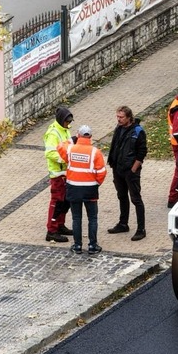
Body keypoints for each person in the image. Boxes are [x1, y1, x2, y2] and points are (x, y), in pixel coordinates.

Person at [59, 125, 108, 254]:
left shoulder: (70, 149)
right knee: (92, 218)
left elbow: (59, 146)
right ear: (90, 137)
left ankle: (77, 245)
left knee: (76, 218)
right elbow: (102, 172)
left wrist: (71, 139)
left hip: (73, 188)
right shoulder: (95, 152)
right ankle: (92, 245)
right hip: (90, 189)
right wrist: (96, 183)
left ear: (78, 135)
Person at [106, 106, 148, 241]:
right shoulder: (118, 128)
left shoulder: (138, 131)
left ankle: (141, 229)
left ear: (129, 117)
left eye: (121, 117)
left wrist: (133, 170)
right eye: (117, 117)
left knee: (136, 199)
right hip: (118, 169)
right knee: (122, 196)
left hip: (130, 171)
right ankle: (123, 223)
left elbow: (142, 153)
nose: (118, 119)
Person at [43, 106, 74, 243]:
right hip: (58, 174)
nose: (68, 124)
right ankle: (52, 230)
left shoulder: (64, 130)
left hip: (65, 173)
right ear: (62, 120)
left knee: (65, 201)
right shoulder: (53, 133)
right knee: (57, 202)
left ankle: (60, 225)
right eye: (67, 122)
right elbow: (50, 153)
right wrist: (65, 159)